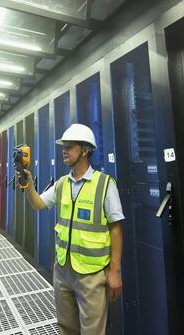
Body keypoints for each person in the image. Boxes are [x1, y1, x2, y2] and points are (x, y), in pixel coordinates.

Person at [18, 123, 124, 335]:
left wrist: (114, 272)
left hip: (92, 274)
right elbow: (39, 204)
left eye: (70, 146)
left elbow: (116, 229)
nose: (64, 151)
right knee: (66, 328)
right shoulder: (61, 183)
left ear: (85, 150)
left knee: (92, 331)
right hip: (63, 269)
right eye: (63, 146)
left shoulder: (104, 184)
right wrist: (28, 183)